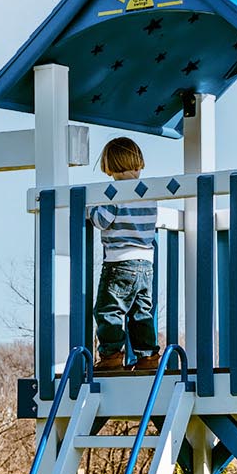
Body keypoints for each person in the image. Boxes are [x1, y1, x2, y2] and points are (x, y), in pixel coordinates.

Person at [89, 136, 167, 372]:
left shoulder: (114, 192)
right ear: (138, 163)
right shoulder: (149, 194)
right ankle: (147, 358)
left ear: (110, 166)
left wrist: (91, 209)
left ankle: (111, 356)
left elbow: (102, 220)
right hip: (145, 262)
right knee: (141, 311)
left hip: (119, 262)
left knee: (109, 309)